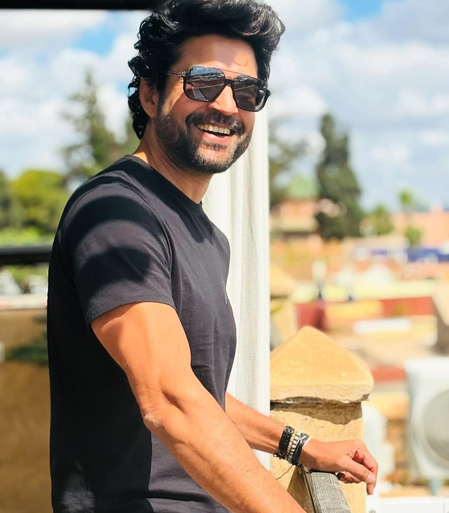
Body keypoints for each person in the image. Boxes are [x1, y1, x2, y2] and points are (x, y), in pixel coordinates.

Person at [47, 1, 378, 512]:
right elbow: (169, 399)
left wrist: (300, 446)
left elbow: (200, 391)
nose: (226, 106)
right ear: (150, 94)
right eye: (203, 83)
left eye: (246, 92)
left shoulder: (204, 234)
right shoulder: (115, 213)